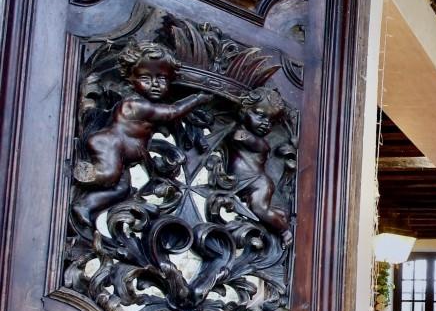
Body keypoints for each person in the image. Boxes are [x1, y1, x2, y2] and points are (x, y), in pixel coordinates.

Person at [73, 42, 211, 226]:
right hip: (110, 144)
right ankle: (91, 173)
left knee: (120, 189)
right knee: (109, 176)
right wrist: (197, 98)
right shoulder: (136, 104)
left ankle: (85, 206)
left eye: (162, 79)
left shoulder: (147, 104)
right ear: (130, 78)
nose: (155, 85)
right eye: (146, 79)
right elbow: (171, 112)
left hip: (123, 155)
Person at [226, 86, 292, 242]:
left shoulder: (260, 143)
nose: (266, 124)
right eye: (260, 115)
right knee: (261, 209)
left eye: (271, 121)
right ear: (243, 111)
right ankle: (279, 215)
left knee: (258, 209)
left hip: (258, 183)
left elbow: (240, 137)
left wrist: (238, 133)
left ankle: (284, 230)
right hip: (242, 183)